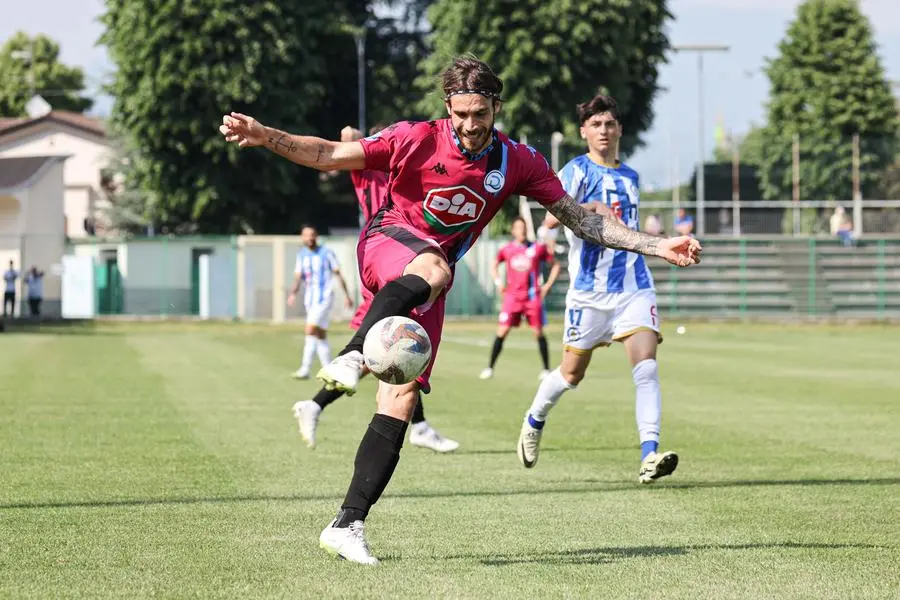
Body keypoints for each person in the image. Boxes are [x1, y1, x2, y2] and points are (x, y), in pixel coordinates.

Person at [220, 55, 701, 565]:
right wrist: (267, 135)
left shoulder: (519, 161)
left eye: (480, 112)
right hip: (389, 243)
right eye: (461, 113)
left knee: (400, 398)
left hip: (427, 281)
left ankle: (347, 524)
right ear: (447, 107)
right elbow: (328, 153)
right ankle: (351, 353)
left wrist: (656, 244)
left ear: (496, 106)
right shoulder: (414, 137)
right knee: (435, 269)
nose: (471, 124)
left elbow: (582, 221)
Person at [517, 93, 679, 485]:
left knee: (647, 368)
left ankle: (649, 454)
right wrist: (591, 207)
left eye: (609, 124)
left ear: (619, 129)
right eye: (596, 125)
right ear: (583, 131)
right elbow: (553, 220)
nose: (603, 131)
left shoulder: (632, 177)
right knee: (571, 375)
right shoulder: (575, 170)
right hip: (589, 292)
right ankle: (534, 419)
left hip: (633, 285)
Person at [292, 124, 459, 454]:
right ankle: (419, 427)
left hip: (404, 260)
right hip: (383, 256)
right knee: (397, 345)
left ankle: (316, 406)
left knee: (385, 350)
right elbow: (347, 138)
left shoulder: (411, 175)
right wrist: (364, 136)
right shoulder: (368, 170)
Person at [480, 216, 560, 380]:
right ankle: (490, 368)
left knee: (538, 332)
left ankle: (546, 370)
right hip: (512, 297)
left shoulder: (537, 248)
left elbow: (556, 265)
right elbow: (494, 265)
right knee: (502, 331)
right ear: (513, 231)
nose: (521, 231)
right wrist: (498, 283)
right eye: (518, 228)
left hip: (532, 297)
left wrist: (547, 286)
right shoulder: (507, 249)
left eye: (523, 228)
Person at [288, 225, 354, 379]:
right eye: (306, 235)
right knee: (320, 334)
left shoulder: (326, 253)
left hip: (324, 297)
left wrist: (347, 295)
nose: (309, 238)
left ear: (316, 236)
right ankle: (329, 369)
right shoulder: (302, 255)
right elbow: (298, 276)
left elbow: (338, 274)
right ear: (302, 237)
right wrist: (293, 294)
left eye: (312, 235)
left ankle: (305, 369)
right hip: (309, 299)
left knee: (310, 329)